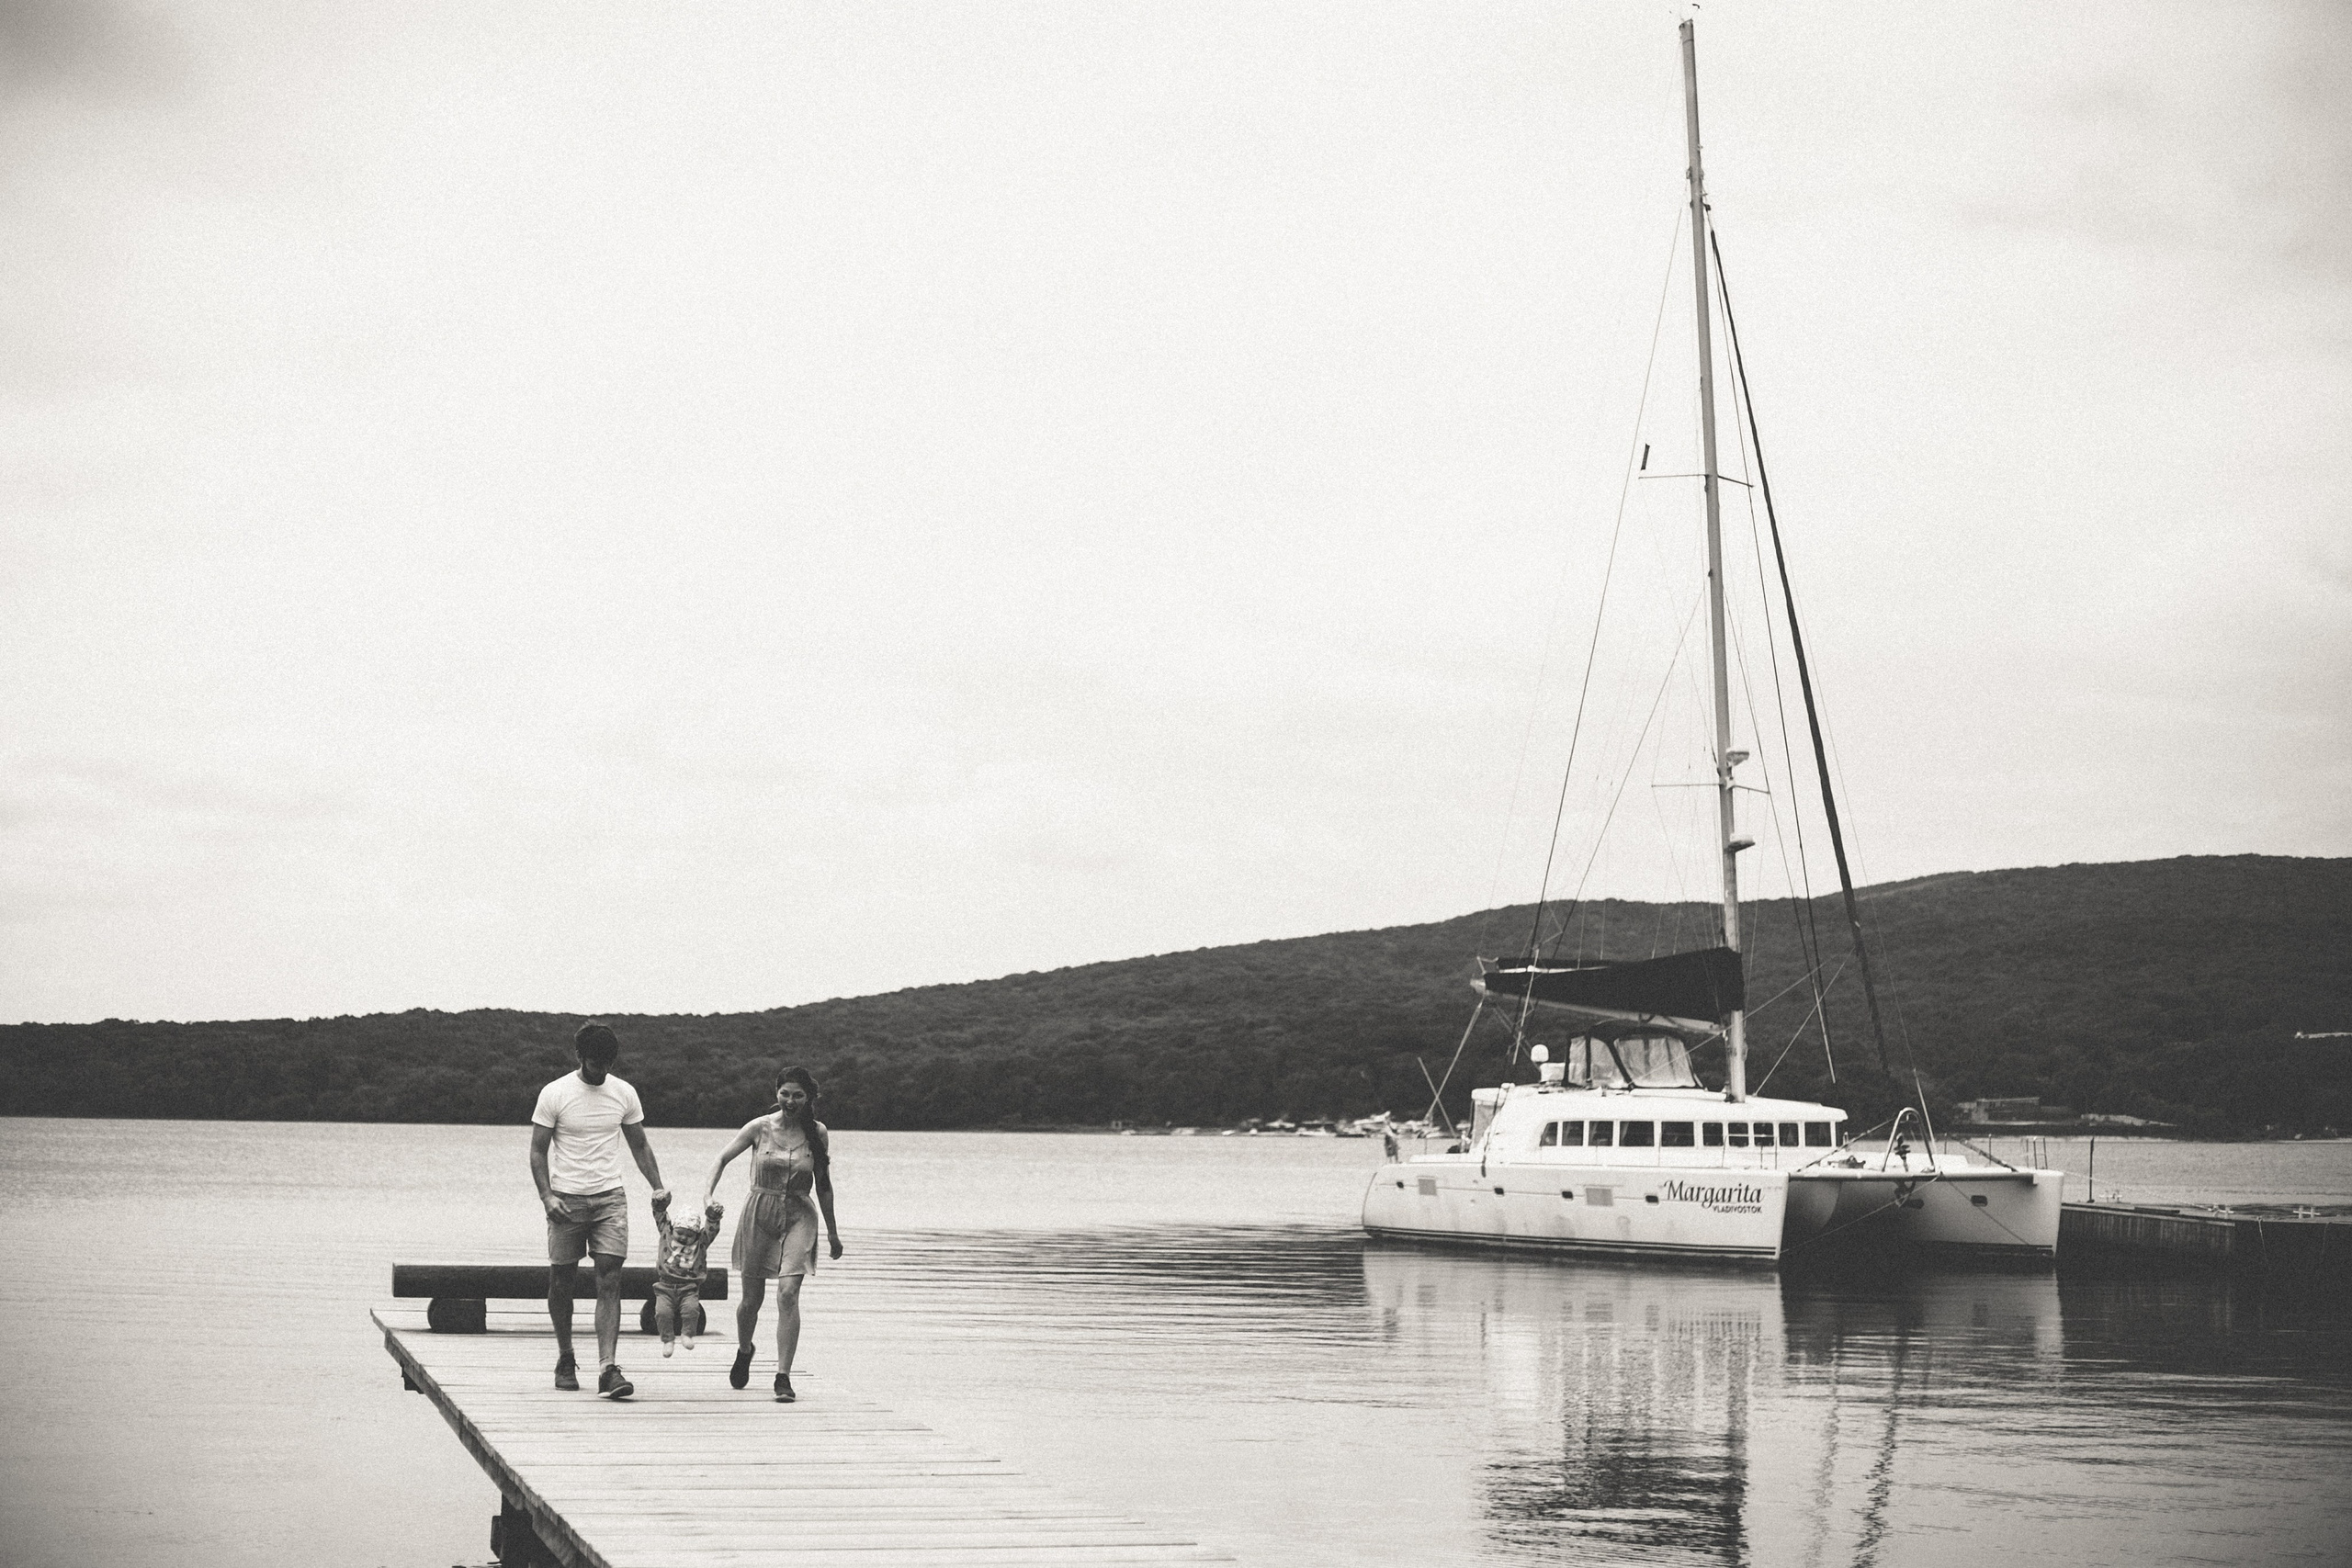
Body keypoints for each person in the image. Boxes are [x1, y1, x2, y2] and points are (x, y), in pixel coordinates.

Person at [530, 1021, 668, 1399]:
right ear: (579, 1056)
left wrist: (657, 1186)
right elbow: (538, 1151)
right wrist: (547, 1197)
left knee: (610, 1279)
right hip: (566, 1198)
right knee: (562, 1280)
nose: (602, 1070)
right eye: (595, 1063)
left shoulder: (623, 1093)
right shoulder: (555, 1093)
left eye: (608, 1063)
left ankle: (608, 1368)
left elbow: (639, 1145)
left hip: (610, 1198)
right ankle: (565, 1357)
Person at [704, 1065, 842, 1403]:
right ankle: (744, 1349)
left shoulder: (818, 1133)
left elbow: (823, 1185)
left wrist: (832, 1233)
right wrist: (708, 1196)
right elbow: (721, 1159)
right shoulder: (759, 1128)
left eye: (798, 1095)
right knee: (751, 1301)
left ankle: (783, 1376)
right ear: (776, 1093)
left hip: (799, 1215)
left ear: (808, 1098)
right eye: (785, 1094)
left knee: (787, 1294)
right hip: (760, 1213)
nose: (790, 1101)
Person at [650, 1190, 725, 1356]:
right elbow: (660, 1216)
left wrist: (713, 1217)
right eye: (680, 1233)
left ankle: (687, 1334)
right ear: (673, 1229)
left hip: (689, 1287)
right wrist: (660, 1204)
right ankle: (667, 1339)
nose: (683, 1237)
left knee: (691, 1311)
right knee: (662, 1313)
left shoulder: (700, 1243)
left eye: (689, 1235)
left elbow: (711, 1230)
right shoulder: (666, 1234)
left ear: (696, 1235)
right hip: (665, 1286)